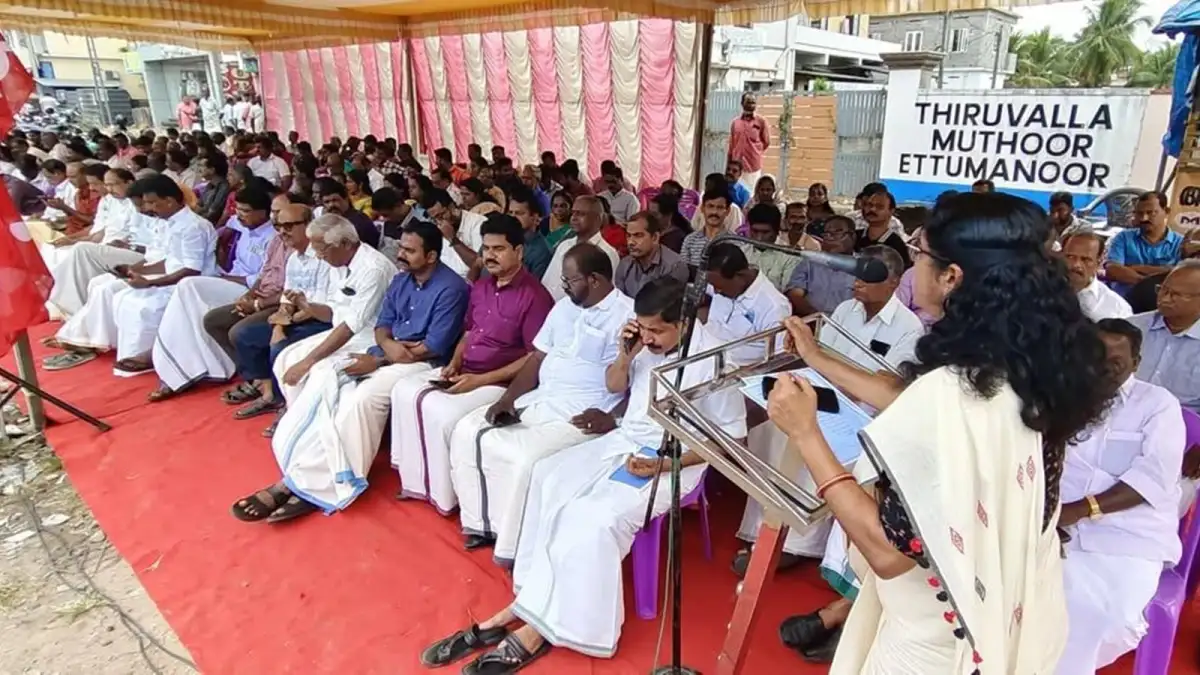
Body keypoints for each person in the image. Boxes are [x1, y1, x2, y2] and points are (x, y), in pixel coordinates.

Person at [766, 192, 1112, 673]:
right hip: (1001, 603)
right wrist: (819, 358)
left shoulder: (951, 392)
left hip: (934, 635)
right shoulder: (1032, 361)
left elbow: (888, 554)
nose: (912, 263)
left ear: (952, 277)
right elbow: (919, 397)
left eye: (921, 252)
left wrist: (806, 434)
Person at [421, 277, 747, 671]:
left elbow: (733, 440)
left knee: (593, 518)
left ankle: (539, 629)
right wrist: (626, 355)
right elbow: (615, 385)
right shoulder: (643, 342)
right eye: (642, 327)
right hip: (627, 439)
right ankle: (527, 602)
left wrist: (664, 465)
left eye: (657, 330)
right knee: (548, 476)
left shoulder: (715, 360)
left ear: (685, 320)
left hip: (676, 459)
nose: (648, 336)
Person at [231, 218, 444, 523]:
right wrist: (306, 305)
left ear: (343, 244)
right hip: (375, 342)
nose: (317, 255)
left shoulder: (373, 268)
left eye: (322, 248)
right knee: (286, 363)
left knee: (326, 381)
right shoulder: (381, 274)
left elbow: (355, 327)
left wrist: (314, 360)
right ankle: (301, 446)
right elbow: (336, 312)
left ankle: (315, 479)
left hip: (366, 341)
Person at [735, 246, 923, 582]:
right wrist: (805, 351)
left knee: (812, 445)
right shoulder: (846, 309)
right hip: (822, 395)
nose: (858, 283)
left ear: (893, 282)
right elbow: (822, 354)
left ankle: (796, 544)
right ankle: (761, 531)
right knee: (768, 432)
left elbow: (886, 388)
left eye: (869, 276)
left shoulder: (909, 328)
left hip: (865, 414)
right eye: (857, 274)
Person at [448, 243, 633, 558]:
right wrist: (507, 399)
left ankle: (514, 545)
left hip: (581, 414)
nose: (563, 286)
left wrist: (613, 418)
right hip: (541, 398)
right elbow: (536, 358)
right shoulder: (563, 308)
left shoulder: (628, 317)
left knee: (524, 460)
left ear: (596, 280)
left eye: (570, 281)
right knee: (467, 429)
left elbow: (637, 382)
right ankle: (482, 523)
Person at [390, 215, 554, 515]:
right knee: (403, 390)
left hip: (499, 382)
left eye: (499, 248)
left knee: (441, 412)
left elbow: (535, 357)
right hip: (466, 370)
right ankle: (417, 482)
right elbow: (468, 331)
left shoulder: (535, 296)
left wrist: (480, 380)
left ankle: (446, 496)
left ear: (519, 252)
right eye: (486, 248)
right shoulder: (481, 286)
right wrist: (454, 362)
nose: (489, 255)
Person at [1055, 318, 1186, 674]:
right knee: (1043, 606)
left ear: (1136, 362)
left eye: (1115, 361)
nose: (1102, 368)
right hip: (1057, 530)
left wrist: (1081, 509)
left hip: (1129, 535)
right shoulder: (1064, 397)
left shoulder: (1158, 404)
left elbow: (1155, 477)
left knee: (1108, 618)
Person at [45, 175, 218, 374]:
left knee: (135, 301)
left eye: (152, 202)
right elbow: (165, 260)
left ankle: (146, 354)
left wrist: (151, 283)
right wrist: (134, 270)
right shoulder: (167, 220)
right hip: (172, 276)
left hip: (192, 283)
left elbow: (191, 269)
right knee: (107, 287)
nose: (149, 208)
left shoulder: (193, 226)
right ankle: (90, 339)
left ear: (170, 201)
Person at [148, 186, 278, 400]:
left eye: (245, 211)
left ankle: (181, 365)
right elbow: (216, 234)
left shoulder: (272, 236)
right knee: (188, 304)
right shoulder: (239, 223)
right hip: (227, 277)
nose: (239, 215)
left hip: (247, 289)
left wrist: (221, 278)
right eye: (238, 209)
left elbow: (261, 278)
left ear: (262, 212)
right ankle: (187, 363)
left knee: (188, 285)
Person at [222, 204, 330, 434]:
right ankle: (269, 393)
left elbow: (320, 305)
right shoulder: (294, 259)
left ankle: (287, 407)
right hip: (295, 316)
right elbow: (287, 297)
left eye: (290, 226)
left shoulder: (322, 256)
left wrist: (283, 325)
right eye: (279, 226)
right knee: (244, 335)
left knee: (280, 346)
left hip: (321, 319)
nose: (283, 232)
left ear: (309, 226)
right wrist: (279, 324)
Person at [702, 242, 790, 367]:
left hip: (730, 368)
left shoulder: (774, 306)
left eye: (719, 287)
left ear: (741, 276)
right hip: (700, 348)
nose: (716, 292)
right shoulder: (720, 281)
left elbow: (781, 357)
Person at [1128, 261, 1200, 413]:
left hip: (1185, 426)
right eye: (1163, 290)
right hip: (1123, 415)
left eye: (1177, 295)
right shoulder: (1131, 328)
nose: (1165, 299)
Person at [540, 195, 620, 302]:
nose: (574, 218)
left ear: (598, 219)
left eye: (581, 214)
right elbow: (547, 282)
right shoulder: (565, 245)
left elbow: (606, 296)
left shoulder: (607, 253)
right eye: (573, 213)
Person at [1105, 191, 1182, 296]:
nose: (1143, 218)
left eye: (1151, 213)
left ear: (1166, 211)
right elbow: (1112, 270)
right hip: (1123, 300)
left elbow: (1179, 277)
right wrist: (1149, 283)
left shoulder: (1180, 243)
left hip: (1162, 303)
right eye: (1139, 213)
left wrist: (1135, 268)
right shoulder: (1123, 237)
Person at [785, 215, 857, 315]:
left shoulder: (862, 267)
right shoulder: (810, 262)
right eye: (826, 234)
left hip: (846, 326)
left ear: (852, 236)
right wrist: (817, 318)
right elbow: (795, 295)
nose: (830, 238)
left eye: (837, 232)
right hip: (812, 320)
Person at [615, 211, 689, 299]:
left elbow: (667, 307)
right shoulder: (625, 264)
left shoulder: (674, 266)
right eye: (628, 236)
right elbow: (618, 300)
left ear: (655, 238)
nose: (631, 242)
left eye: (638, 235)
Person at [1064, 232, 1132, 321]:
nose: (1076, 265)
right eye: (1070, 257)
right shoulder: (1043, 291)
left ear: (1099, 263)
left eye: (1085, 259)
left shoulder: (1118, 309)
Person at [423, 187, 487, 278]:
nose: (439, 222)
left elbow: (479, 264)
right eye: (434, 219)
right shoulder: (437, 229)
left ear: (452, 206)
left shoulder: (478, 223)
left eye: (441, 215)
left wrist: (453, 239)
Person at [314, 177, 381, 250]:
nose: (331, 205)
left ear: (346, 199)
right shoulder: (330, 221)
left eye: (335, 200)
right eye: (327, 202)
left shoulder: (359, 222)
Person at [743, 204, 800, 291]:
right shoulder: (741, 251)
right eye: (755, 231)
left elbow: (788, 293)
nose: (759, 238)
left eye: (765, 232)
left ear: (777, 231)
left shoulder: (790, 257)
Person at [856, 185, 911, 267]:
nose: (872, 209)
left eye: (879, 207)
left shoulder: (896, 245)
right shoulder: (854, 237)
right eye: (869, 205)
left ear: (891, 211)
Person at [506, 187, 553, 279]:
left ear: (534, 217)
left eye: (519, 213)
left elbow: (534, 287)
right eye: (510, 213)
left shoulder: (541, 252)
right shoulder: (502, 237)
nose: (513, 217)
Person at [681, 189, 733, 268]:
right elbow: (683, 271)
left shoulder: (735, 242)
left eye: (720, 207)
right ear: (702, 208)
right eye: (710, 206)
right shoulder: (690, 240)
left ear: (727, 211)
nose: (714, 212)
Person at [729, 92, 770, 190]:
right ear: (742, 103)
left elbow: (766, 142)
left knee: (751, 193)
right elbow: (731, 145)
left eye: (753, 102)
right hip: (736, 166)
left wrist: (755, 152)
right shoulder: (735, 123)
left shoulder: (761, 121)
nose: (751, 105)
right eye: (748, 102)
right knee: (735, 192)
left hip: (753, 166)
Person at [196, 153, 231, 225]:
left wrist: (195, 222)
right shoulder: (210, 185)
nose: (199, 169)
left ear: (212, 170)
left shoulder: (224, 187)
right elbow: (199, 206)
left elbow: (212, 214)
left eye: (202, 166)